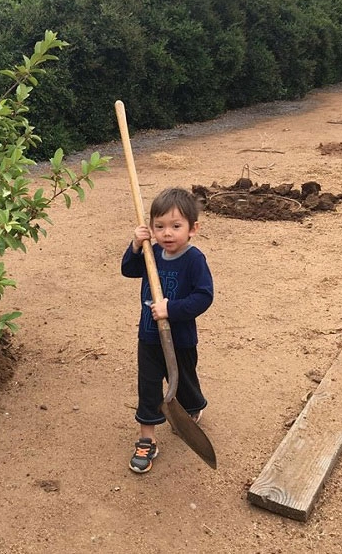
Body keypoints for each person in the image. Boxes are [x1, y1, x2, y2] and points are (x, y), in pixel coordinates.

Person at [121, 187, 213, 473]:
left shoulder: (194, 259)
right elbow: (128, 269)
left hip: (180, 338)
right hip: (149, 335)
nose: (167, 234)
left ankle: (191, 407)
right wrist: (136, 246)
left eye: (176, 226)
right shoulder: (152, 252)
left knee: (183, 380)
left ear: (192, 228)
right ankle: (146, 439)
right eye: (159, 227)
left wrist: (170, 309)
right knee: (148, 386)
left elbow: (204, 296)